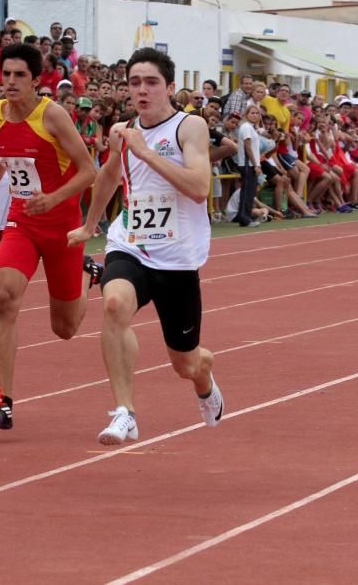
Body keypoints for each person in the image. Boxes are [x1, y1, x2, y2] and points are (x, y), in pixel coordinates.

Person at [67, 47, 223, 445]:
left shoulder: (189, 128)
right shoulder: (123, 132)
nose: (142, 90)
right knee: (115, 303)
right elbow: (107, 176)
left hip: (177, 259)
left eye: (151, 82)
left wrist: (146, 152)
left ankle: (204, 378)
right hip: (131, 243)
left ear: (170, 87)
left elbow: (199, 187)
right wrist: (89, 226)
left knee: (186, 363)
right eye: (135, 82)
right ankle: (125, 412)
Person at [0, 43, 101, 431]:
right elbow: (1, 155)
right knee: (5, 296)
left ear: (36, 80)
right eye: (5, 74)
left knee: (65, 329)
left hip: (61, 228)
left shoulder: (53, 115)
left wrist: (54, 198)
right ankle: (2, 400)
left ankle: (89, 277)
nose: (10, 82)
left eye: (19, 75)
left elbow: (89, 170)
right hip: (22, 221)